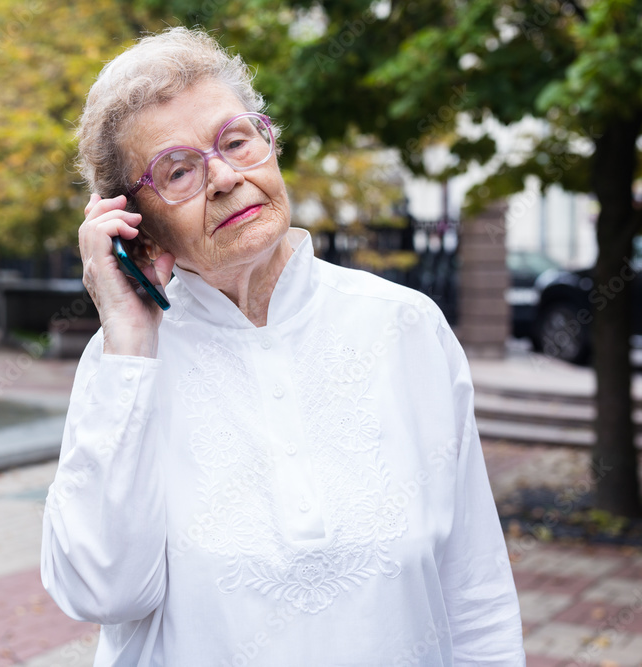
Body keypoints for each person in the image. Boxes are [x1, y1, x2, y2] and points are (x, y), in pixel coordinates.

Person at [41, 27, 525, 666]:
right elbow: (100, 589)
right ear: (140, 227)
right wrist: (128, 343)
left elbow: (475, 588)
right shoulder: (123, 365)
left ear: (267, 143)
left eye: (236, 141)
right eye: (178, 170)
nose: (223, 177)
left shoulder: (406, 328)